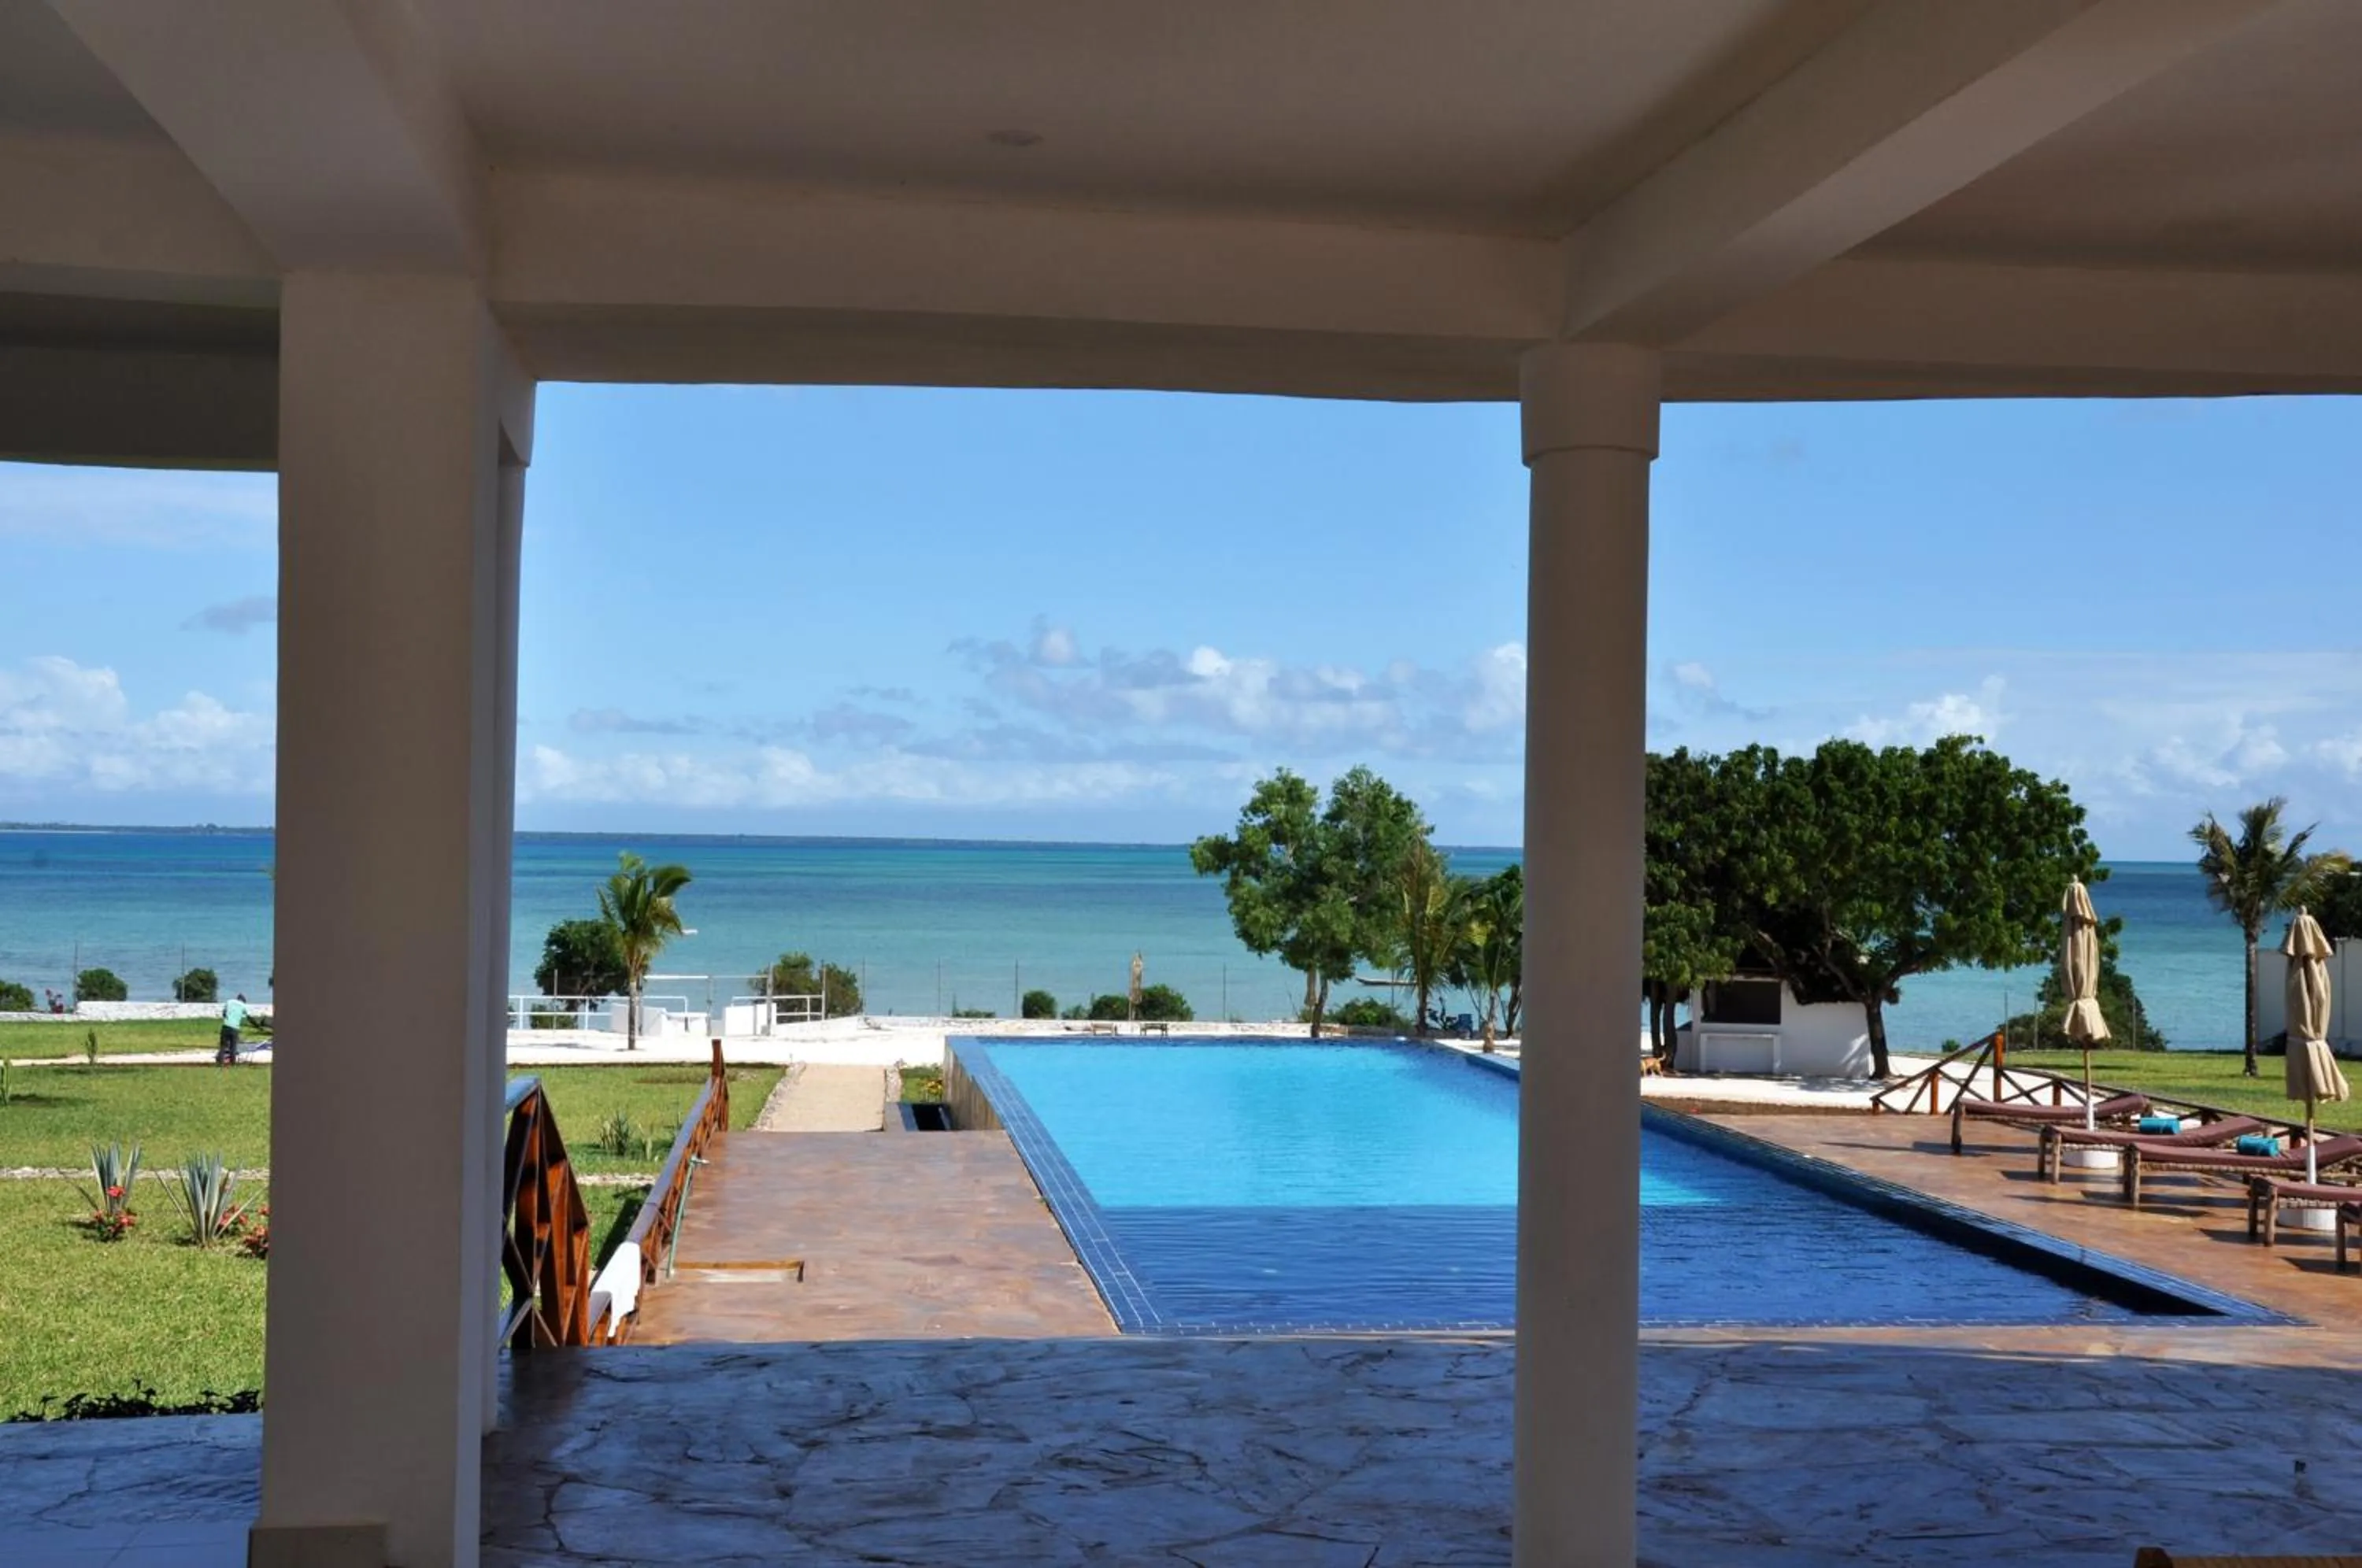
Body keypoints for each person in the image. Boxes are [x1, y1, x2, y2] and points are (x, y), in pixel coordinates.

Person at [217, 993, 250, 1066]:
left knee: (223, 1046)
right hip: (235, 1028)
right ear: (243, 1000)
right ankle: (233, 1064)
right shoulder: (243, 1006)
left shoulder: (229, 1002)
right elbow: (245, 1016)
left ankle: (220, 1063)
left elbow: (224, 1013)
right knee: (233, 1047)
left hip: (226, 1026)